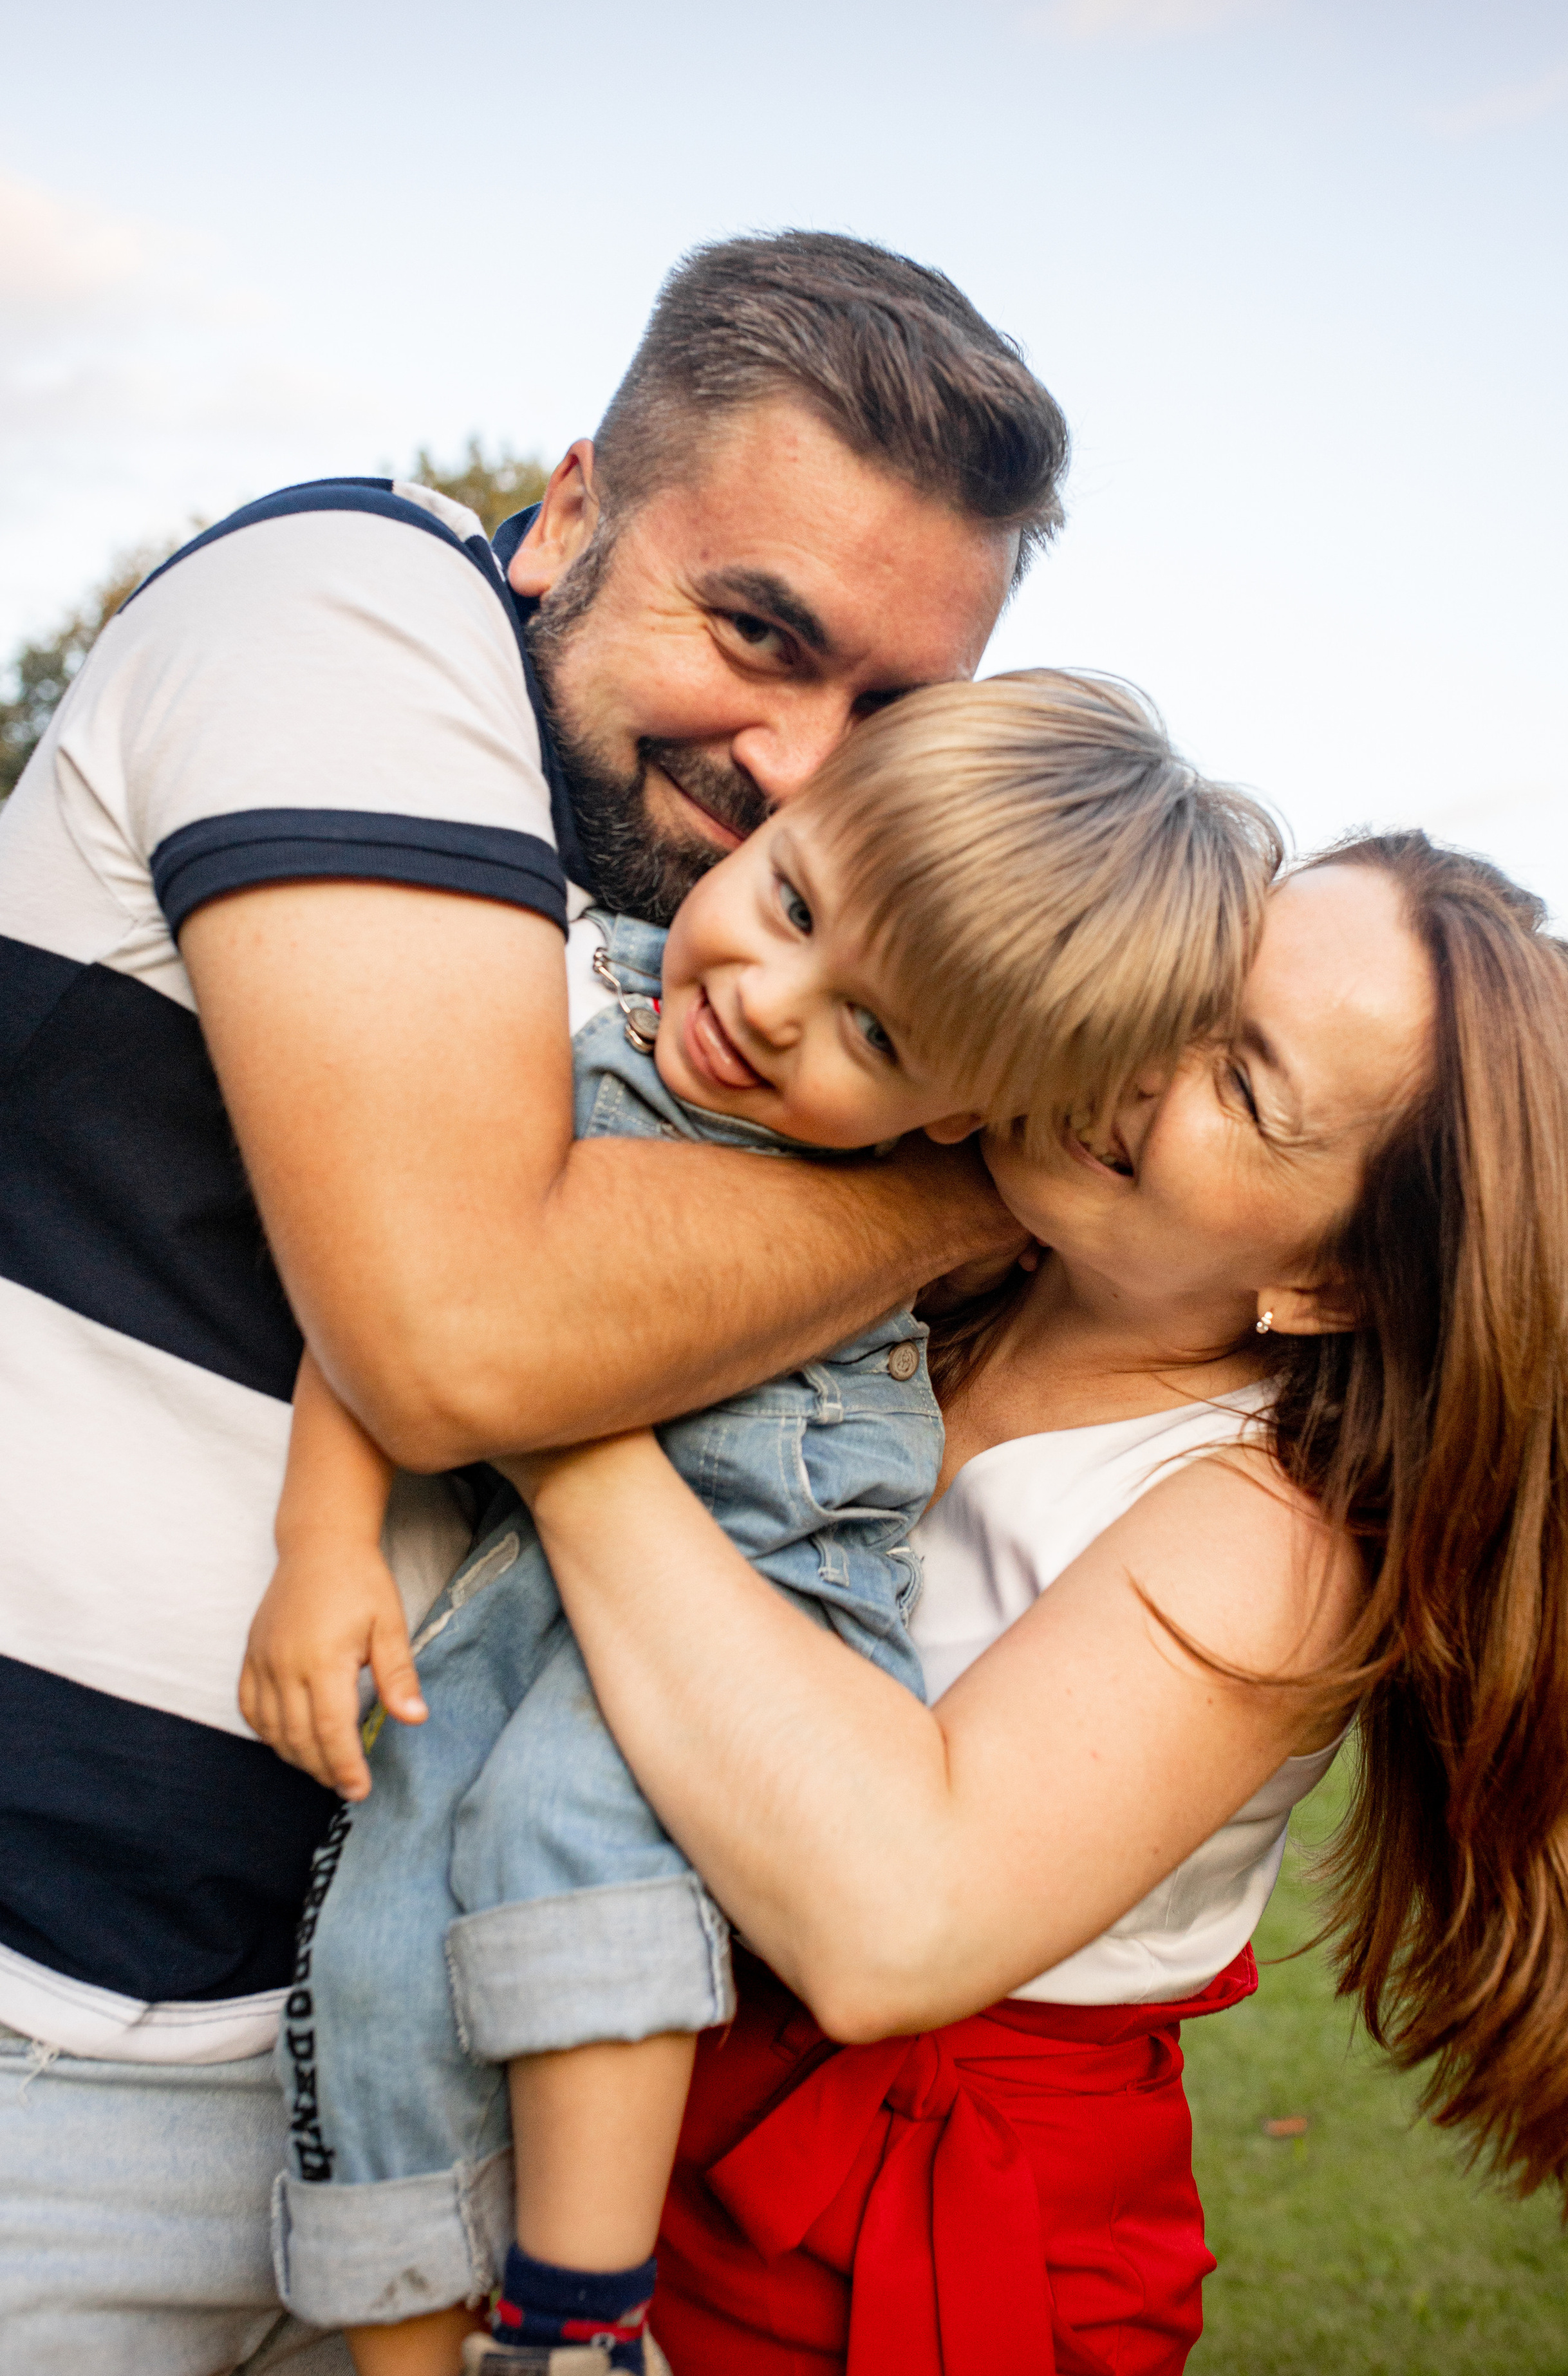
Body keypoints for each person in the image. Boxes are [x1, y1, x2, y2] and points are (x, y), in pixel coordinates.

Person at [0, 233, 1069, 2373]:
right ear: (572, 507)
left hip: (404, 2077)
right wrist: (962, 1190)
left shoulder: (702, 956)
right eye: (758, 631)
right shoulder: (355, 614)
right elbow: (457, 1333)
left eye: (889, 713)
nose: (802, 760)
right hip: (67, 2062)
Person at [240, 673, 1278, 2376]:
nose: (772, 1003)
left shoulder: (931, 1226)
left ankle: (576, 2322)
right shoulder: (573, 1006)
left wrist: (534, 1390)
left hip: (759, 1577)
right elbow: (403, 1294)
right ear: (778, 822)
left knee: (583, 1825)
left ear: (962, 1117)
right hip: (514, 1599)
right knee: (379, 1923)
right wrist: (324, 1543)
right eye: (791, 903)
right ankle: (405, 2349)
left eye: (876, 1034)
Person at [512, 834, 1568, 2373]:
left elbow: (891, 1928)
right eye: (1189, 991)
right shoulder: (921, 1253)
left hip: (883, 2244)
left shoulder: (1277, 1533)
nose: (1144, 1057)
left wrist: (543, 1396)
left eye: (1241, 1085)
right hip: (612, 2064)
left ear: (1338, 1283)